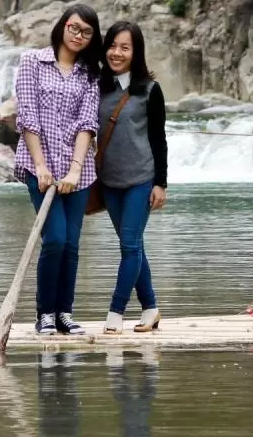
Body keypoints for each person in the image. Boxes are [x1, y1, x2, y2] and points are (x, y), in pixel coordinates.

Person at [13, 3, 103, 335]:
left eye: (87, 32)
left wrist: (76, 169)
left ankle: (65, 313)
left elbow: (87, 122)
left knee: (72, 243)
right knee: (55, 238)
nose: (78, 35)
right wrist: (41, 167)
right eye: (74, 28)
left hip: (77, 170)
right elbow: (27, 116)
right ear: (62, 26)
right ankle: (45, 314)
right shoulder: (32, 62)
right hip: (39, 165)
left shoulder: (90, 73)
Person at [97, 21, 168, 335]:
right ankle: (151, 308)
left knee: (128, 246)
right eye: (113, 45)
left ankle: (116, 312)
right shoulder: (97, 86)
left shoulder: (150, 90)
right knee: (133, 246)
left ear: (136, 52)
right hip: (109, 181)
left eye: (125, 47)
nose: (117, 52)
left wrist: (160, 183)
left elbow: (158, 138)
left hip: (141, 178)